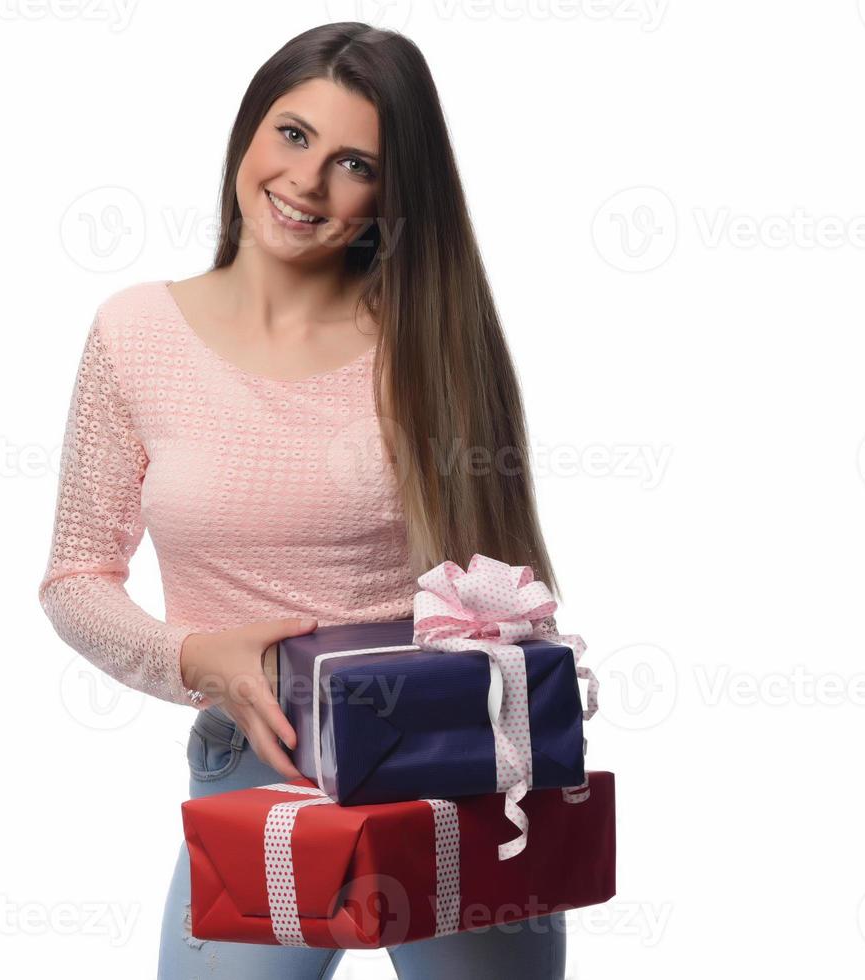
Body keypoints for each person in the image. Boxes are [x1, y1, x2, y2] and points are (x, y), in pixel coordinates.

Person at [38, 21, 568, 979]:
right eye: (291, 135)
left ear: (393, 191)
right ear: (249, 133)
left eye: (353, 161)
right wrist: (196, 656)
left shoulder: (433, 342)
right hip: (256, 756)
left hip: (443, 758)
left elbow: (509, 586)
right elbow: (75, 577)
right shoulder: (134, 337)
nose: (307, 183)